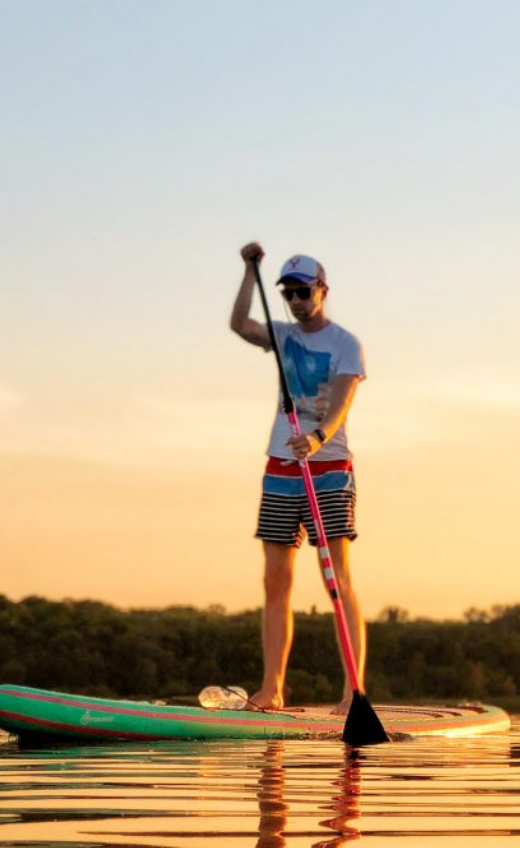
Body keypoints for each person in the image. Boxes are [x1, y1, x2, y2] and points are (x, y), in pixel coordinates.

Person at [229, 241, 368, 712]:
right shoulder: (283, 336)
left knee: (336, 581)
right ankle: (271, 690)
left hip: (328, 467)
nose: (295, 300)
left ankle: (352, 692)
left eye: (303, 292)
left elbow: (342, 403)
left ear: (323, 291)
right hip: (280, 468)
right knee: (275, 583)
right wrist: (250, 271)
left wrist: (317, 437)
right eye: (288, 293)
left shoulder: (346, 344)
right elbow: (238, 325)